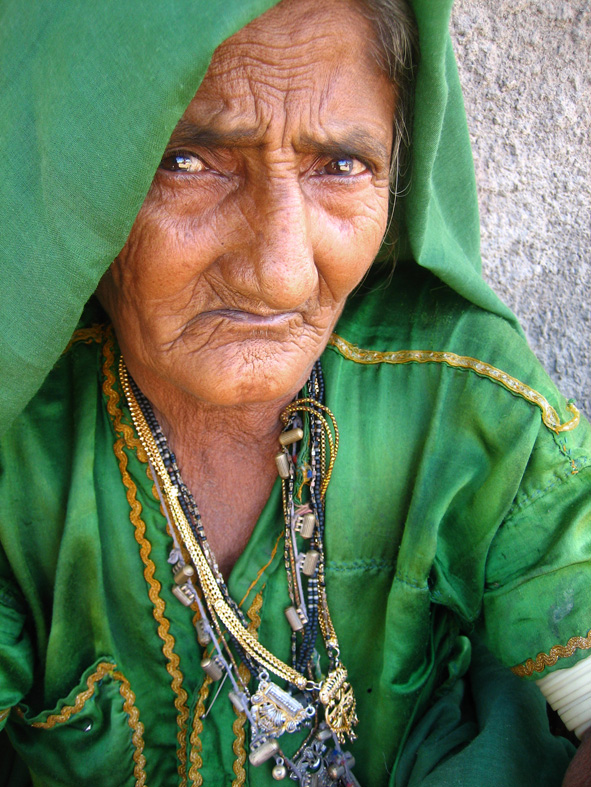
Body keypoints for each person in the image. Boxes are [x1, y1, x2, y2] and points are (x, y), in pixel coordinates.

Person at [0, 0, 590, 785]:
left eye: (340, 165)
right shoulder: (24, 439)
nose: (281, 269)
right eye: (189, 160)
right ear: (78, 179)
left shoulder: (461, 395)